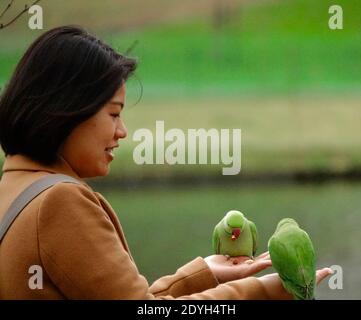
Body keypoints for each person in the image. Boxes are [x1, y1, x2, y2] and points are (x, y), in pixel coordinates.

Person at [0, 26, 331, 299]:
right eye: (114, 113)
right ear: (67, 109)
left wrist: (202, 274)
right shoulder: (60, 203)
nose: (122, 131)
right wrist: (263, 291)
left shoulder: (12, 190)